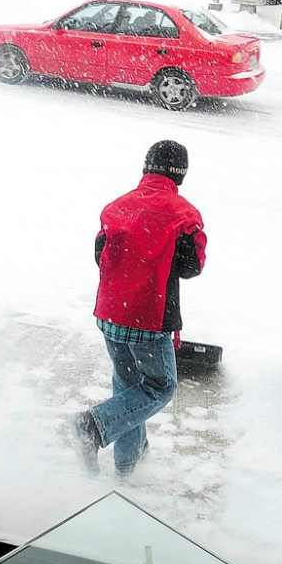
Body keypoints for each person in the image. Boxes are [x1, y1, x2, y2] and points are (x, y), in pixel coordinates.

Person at [70, 140, 206, 478]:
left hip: (111, 313)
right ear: (182, 174)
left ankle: (127, 463)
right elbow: (192, 267)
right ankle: (94, 427)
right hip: (148, 317)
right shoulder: (184, 214)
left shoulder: (117, 206)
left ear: (146, 167)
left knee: (129, 386)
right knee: (159, 387)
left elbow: (101, 253)